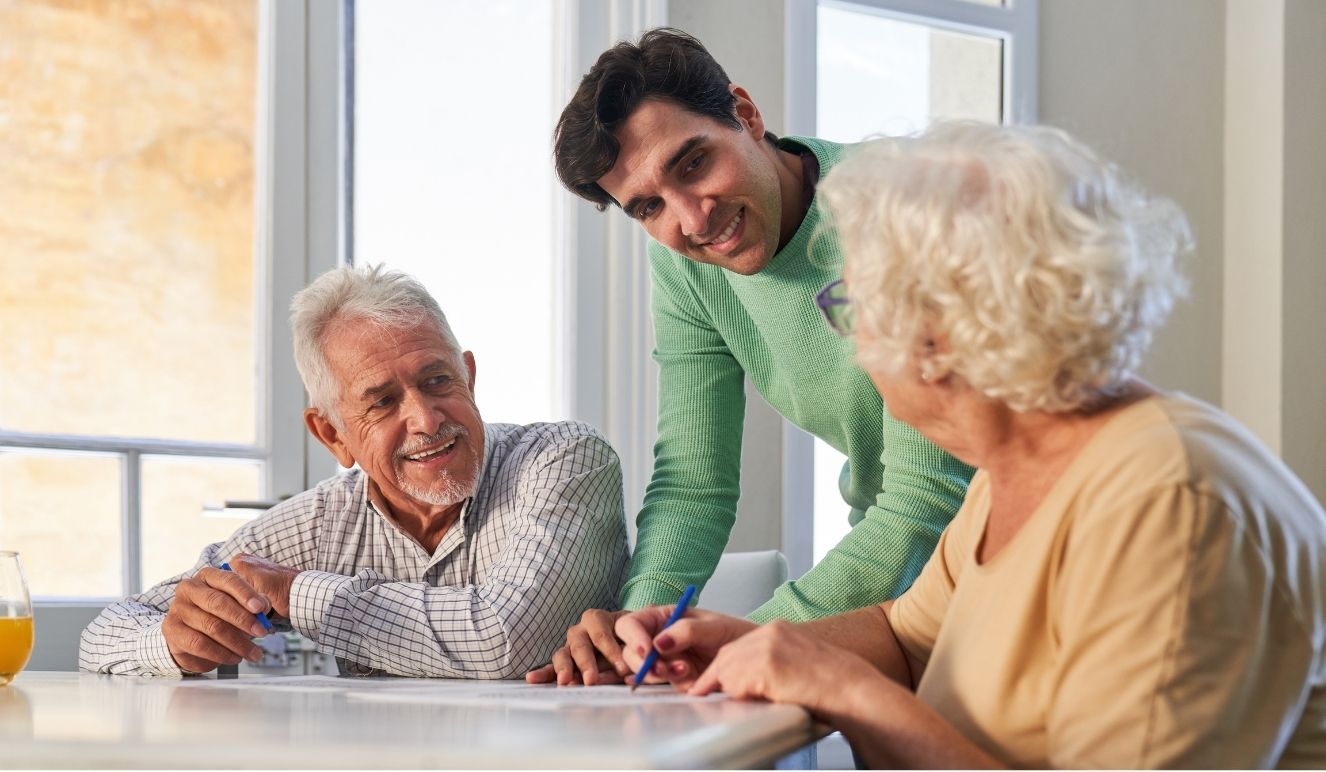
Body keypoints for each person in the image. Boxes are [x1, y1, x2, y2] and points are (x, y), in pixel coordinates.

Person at [614, 122, 1326, 767]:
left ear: (941, 337)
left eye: (851, 307)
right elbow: (905, 635)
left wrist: (846, 690)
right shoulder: (1013, 470)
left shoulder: (1168, 505)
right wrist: (747, 641)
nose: (851, 339)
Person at [527, 27, 974, 686]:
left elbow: (926, 497)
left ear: (746, 113)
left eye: (693, 164)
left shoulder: (895, 207)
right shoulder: (686, 265)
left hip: (1006, 559)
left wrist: (742, 644)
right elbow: (694, 483)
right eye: (649, 206)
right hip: (899, 597)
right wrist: (640, 636)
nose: (692, 218)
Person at [80, 265, 630, 679]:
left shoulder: (562, 460)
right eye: (383, 401)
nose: (425, 420)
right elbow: (103, 635)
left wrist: (299, 594)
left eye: (438, 381)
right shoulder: (319, 523)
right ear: (333, 435)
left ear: (469, 376)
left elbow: (509, 638)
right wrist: (175, 642)